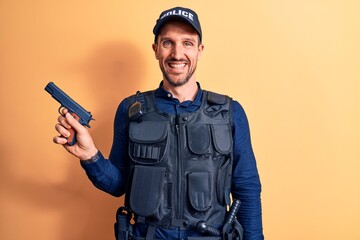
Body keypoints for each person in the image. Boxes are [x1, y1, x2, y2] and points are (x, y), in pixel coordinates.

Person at [53, 6, 264, 240]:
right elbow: (117, 184)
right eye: (167, 43)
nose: (177, 53)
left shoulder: (230, 112)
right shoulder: (131, 110)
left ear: (200, 50)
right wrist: (89, 155)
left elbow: (247, 189)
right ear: (155, 49)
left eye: (187, 43)